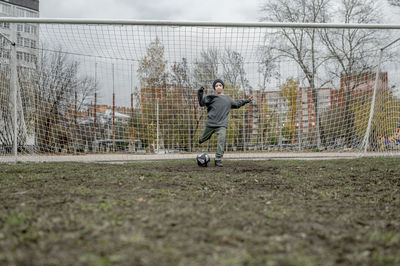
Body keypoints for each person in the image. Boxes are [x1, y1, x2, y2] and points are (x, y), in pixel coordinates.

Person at [198, 79, 253, 167]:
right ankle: (202, 139)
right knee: (201, 140)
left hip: (221, 125)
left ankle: (218, 159)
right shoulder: (212, 97)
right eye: (216, 86)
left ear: (222, 87)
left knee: (221, 140)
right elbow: (201, 103)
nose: (218, 87)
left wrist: (247, 100)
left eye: (220, 85)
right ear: (214, 88)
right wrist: (200, 92)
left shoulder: (228, 99)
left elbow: (237, 104)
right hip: (210, 124)